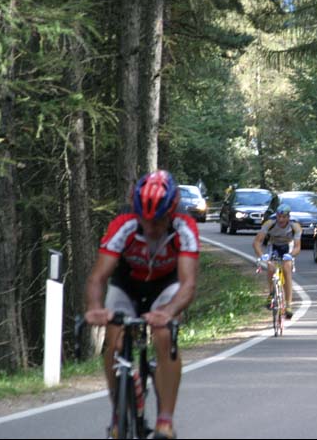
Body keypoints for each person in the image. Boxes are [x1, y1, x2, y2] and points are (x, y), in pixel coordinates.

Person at [85, 170, 199, 440]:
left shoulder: (185, 226)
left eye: (158, 221)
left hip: (166, 285)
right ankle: (118, 413)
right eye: (144, 220)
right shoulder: (123, 223)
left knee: (164, 334)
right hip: (127, 283)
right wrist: (94, 307)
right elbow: (98, 276)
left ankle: (165, 421)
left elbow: (188, 284)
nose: (150, 227)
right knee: (113, 342)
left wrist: (168, 312)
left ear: (171, 214)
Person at [253, 203, 302, 319]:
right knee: (270, 267)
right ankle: (271, 293)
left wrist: (291, 255)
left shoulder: (295, 226)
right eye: (279, 216)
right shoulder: (269, 223)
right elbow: (256, 242)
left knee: (286, 268)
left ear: (288, 217)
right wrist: (262, 256)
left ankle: (288, 304)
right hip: (273, 246)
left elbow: (297, 247)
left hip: (287, 246)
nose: (281, 220)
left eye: (284, 217)